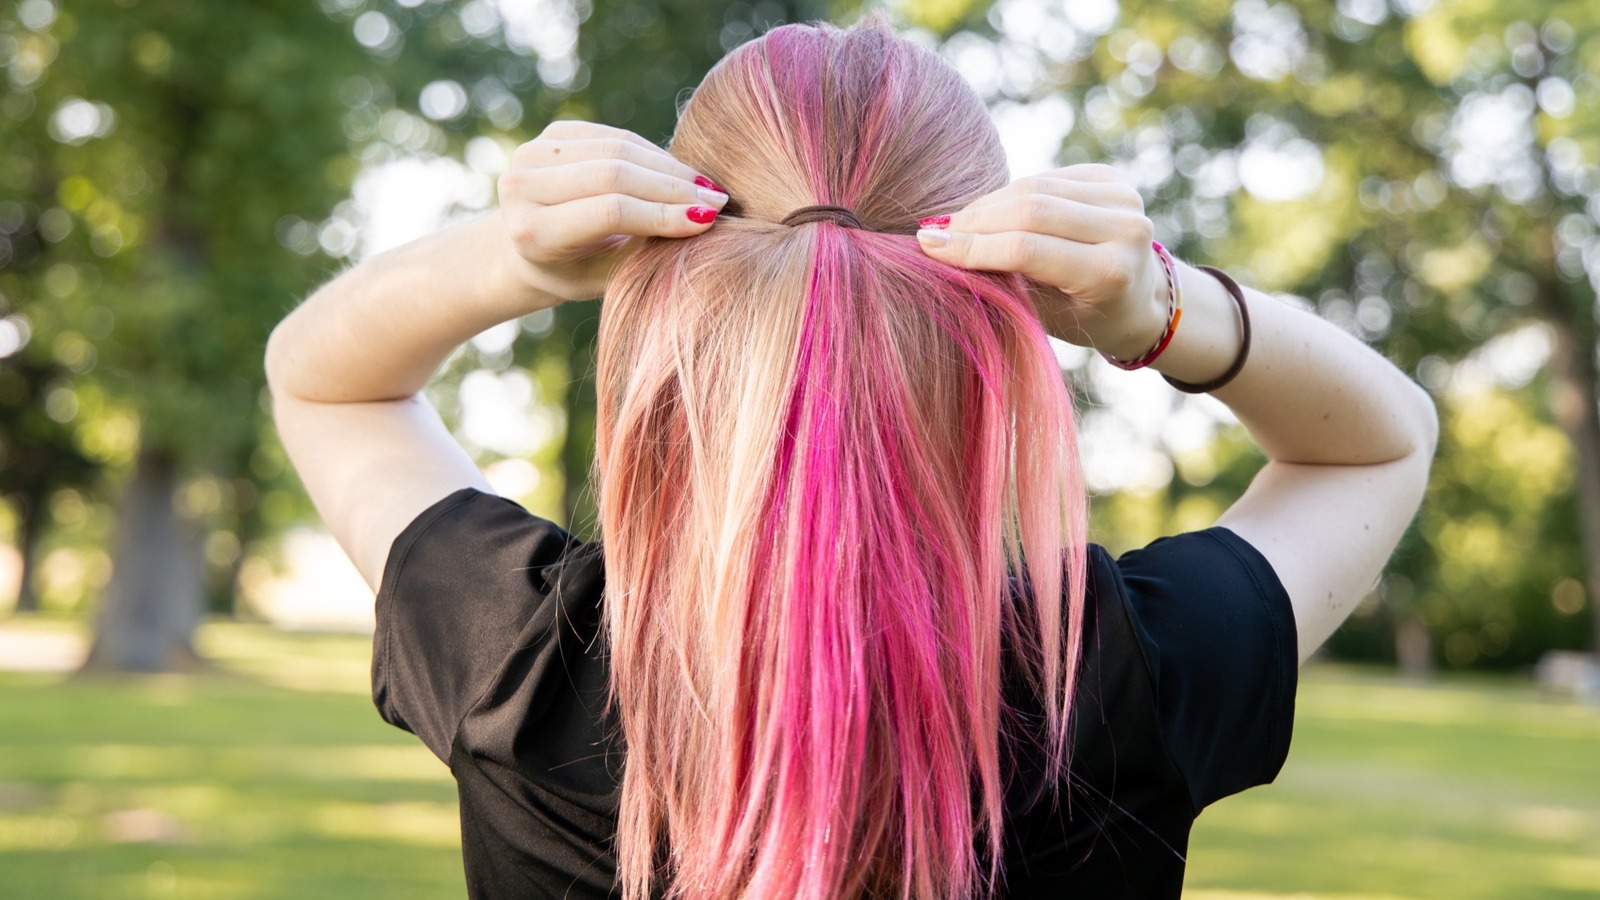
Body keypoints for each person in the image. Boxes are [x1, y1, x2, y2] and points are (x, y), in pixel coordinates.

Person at [265, 16, 1436, 900]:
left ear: (676, 302)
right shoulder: (1121, 673)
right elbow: (1378, 447)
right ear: (996, 317)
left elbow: (324, 376)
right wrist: (1160, 308)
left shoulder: (519, 662)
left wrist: (517, 257)